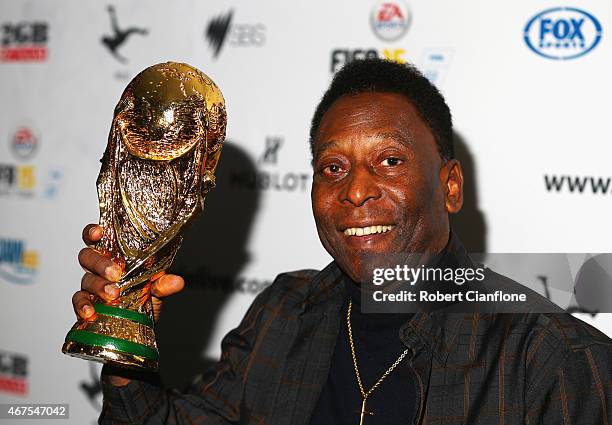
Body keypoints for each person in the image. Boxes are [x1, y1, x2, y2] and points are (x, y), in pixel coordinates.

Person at [73, 59, 612, 424]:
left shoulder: (555, 362)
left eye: (390, 160)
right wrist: (128, 347)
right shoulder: (284, 312)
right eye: (333, 166)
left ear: (449, 187)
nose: (354, 189)